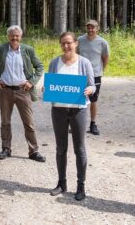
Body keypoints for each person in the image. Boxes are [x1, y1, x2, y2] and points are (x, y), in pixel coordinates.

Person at [46, 31, 96, 201]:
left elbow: (92, 86)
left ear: (76, 43)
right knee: (61, 149)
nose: (66, 46)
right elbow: (50, 85)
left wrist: (90, 90)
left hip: (79, 110)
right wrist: (48, 89)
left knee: (79, 149)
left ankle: (81, 185)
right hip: (59, 110)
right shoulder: (54, 63)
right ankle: (61, 183)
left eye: (69, 43)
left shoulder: (85, 63)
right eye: (63, 43)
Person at [0, 25, 45, 162]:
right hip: (5, 90)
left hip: (23, 91)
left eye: (17, 35)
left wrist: (31, 82)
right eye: (12, 35)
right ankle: (6, 149)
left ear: (21, 37)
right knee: (5, 122)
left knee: (29, 122)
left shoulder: (28, 50)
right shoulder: (1, 49)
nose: (14, 38)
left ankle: (34, 151)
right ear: (8, 36)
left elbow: (40, 67)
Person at [77, 19, 110, 135]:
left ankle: (93, 124)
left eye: (93, 27)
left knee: (93, 100)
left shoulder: (102, 42)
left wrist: (101, 70)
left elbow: (105, 57)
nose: (90, 30)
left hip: (95, 75)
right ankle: (78, 124)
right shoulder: (80, 40)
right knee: (79, 99)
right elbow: (75, 55)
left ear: (97, 28)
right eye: (89, 27)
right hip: (80, 74)